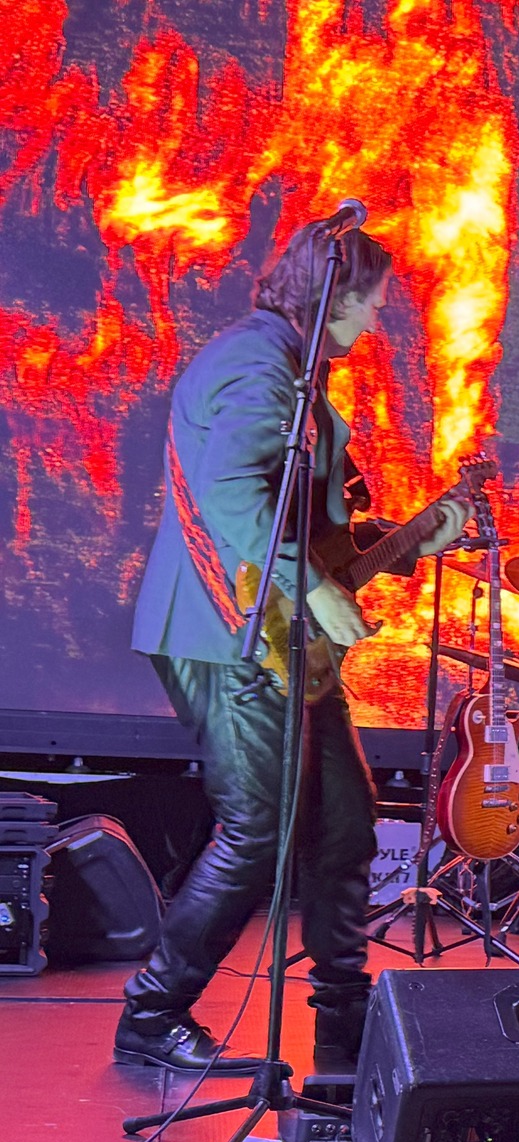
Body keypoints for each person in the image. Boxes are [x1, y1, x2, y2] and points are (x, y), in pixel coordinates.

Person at [116, 215, 470, 1072]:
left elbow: (302, 528)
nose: (377, 318)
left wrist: (405, 541)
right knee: (258, 830)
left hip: (280, 635)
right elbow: (232, 495)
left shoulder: (294, 373)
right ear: (335, 296)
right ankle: (152, 1013)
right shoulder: (258, 362)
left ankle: (345, 1024)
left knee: (345, 825)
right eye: (372, 301)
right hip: (225, 632)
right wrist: (311, 588)